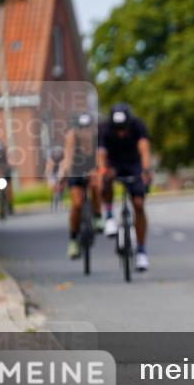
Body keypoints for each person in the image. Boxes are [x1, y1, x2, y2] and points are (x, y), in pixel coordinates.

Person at [97, 103, 153, 271]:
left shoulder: (138, 125)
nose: (121, 132)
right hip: (113, 163)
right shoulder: (104, 128)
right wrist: (102, 171)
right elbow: (101, 154)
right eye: (117, 129)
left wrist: (146, 170)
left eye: (124, 129)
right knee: (106, 179)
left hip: (133, 163)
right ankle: (108, 215)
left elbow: (144, 150)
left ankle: (142, 251)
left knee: (138, 204)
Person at [60, 112, 100, 259]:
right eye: (81, 128)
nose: (84, 132)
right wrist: (64, 174)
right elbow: (68, 157)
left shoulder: (96, 136)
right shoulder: (71, 136)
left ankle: (98, 215)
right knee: (76, 205)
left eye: (87, 128)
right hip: (76, 170)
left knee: (96, 184)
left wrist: (97, 170)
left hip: (91, 168)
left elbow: (99, 156)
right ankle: (73, 240)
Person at [44, 144, 64, 209]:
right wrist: (48, 177)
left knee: (60, 187)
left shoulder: (62, 159)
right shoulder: (50, 158)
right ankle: (53, 198)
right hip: (52, 173)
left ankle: (60, 200)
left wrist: (60, 177)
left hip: (58, 172)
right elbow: (48, 169)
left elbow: (62, 167)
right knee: (53, 187)